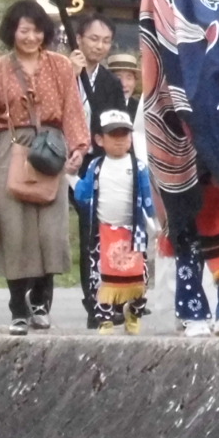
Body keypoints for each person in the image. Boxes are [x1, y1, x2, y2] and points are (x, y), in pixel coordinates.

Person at [0, 0, 91, 336]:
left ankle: (41, 300)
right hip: (8, 148)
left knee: (50, 231)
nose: (31, 37)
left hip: (50, 149)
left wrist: (79, 147)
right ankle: (17, 308)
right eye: (24, 30)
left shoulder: (61, 66)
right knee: (15, 232)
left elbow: (72, 108)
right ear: (12, 32)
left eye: (37, 31)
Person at [71, 109, 160, 332]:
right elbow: (82, 194)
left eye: (124, 134)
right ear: (100, 139)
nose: (120, 140)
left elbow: (148, 200)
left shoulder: (139, 167)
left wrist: (158, 223)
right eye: (113, 135)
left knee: (139, 278)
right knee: (100, 278)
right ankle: (105, 319)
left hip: (133, 233)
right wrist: (70, 176)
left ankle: (134, 313)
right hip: (103, 233)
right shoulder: (95, 166)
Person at [73, 16, 128, 324]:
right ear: (79, 38)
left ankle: (99, 302)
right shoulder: (62, 70)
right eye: (94, 39)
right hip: (61, 159)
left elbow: (118, 124)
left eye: (106, 41)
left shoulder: (110, 83)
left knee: (95, 233)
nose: (99, 46)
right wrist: (70, 74)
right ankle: (38, 301)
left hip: (96, 162)